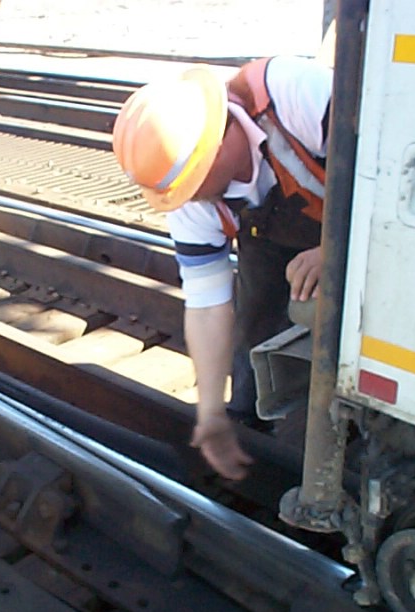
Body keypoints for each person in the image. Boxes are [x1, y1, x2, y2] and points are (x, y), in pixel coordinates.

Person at [111, 54, 333, 481]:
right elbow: (207, 304)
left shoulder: (297, 95)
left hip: (379, 223)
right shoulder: (187, 195)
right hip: (273, 232)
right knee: (256, 318)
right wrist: (210, 413)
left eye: (193, 189)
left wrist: (336, 250)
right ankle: (256, 424)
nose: (189, 201)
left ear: (215, 150)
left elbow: (397, 165)